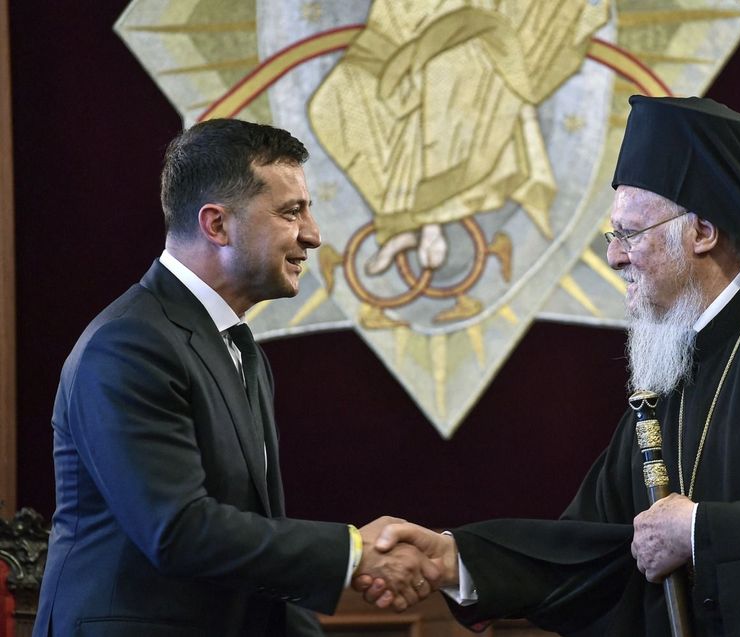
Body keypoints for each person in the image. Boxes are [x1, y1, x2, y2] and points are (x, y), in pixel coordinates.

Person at [358, 96, 740, 636]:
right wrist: (452, 559)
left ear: (702, 230)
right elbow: (598, 543)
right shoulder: (678, 355)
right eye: (612, 236)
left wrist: (702, 532)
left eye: (629, 234)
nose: (615, 257)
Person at [33, 119, 438, 637]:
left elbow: (254, 544)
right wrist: (355, 554)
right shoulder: (130, 345)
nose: (312, 235)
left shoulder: (238, 348)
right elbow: (178, 530)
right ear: (217, 225)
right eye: (292, 212)